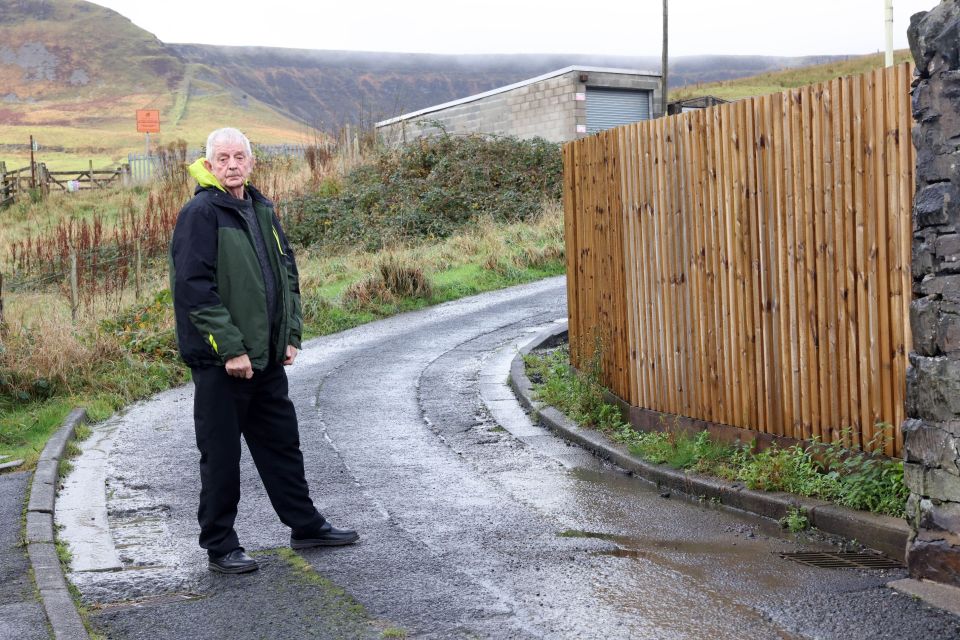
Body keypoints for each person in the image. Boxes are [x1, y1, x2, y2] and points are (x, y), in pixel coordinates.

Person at [169, 127, 358, 574]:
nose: (232, 165)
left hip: (267, 357)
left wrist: (290, 334)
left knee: (282, 446)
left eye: (240, 157)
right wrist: (231, 349)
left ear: (251, 163)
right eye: (223, 158)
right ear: (209, 164)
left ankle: (305, 526)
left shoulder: (260, 208)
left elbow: (286, 273)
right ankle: (220, 545)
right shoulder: (201, 213)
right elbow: (194, 289)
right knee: (221, 455)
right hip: (223, 362)